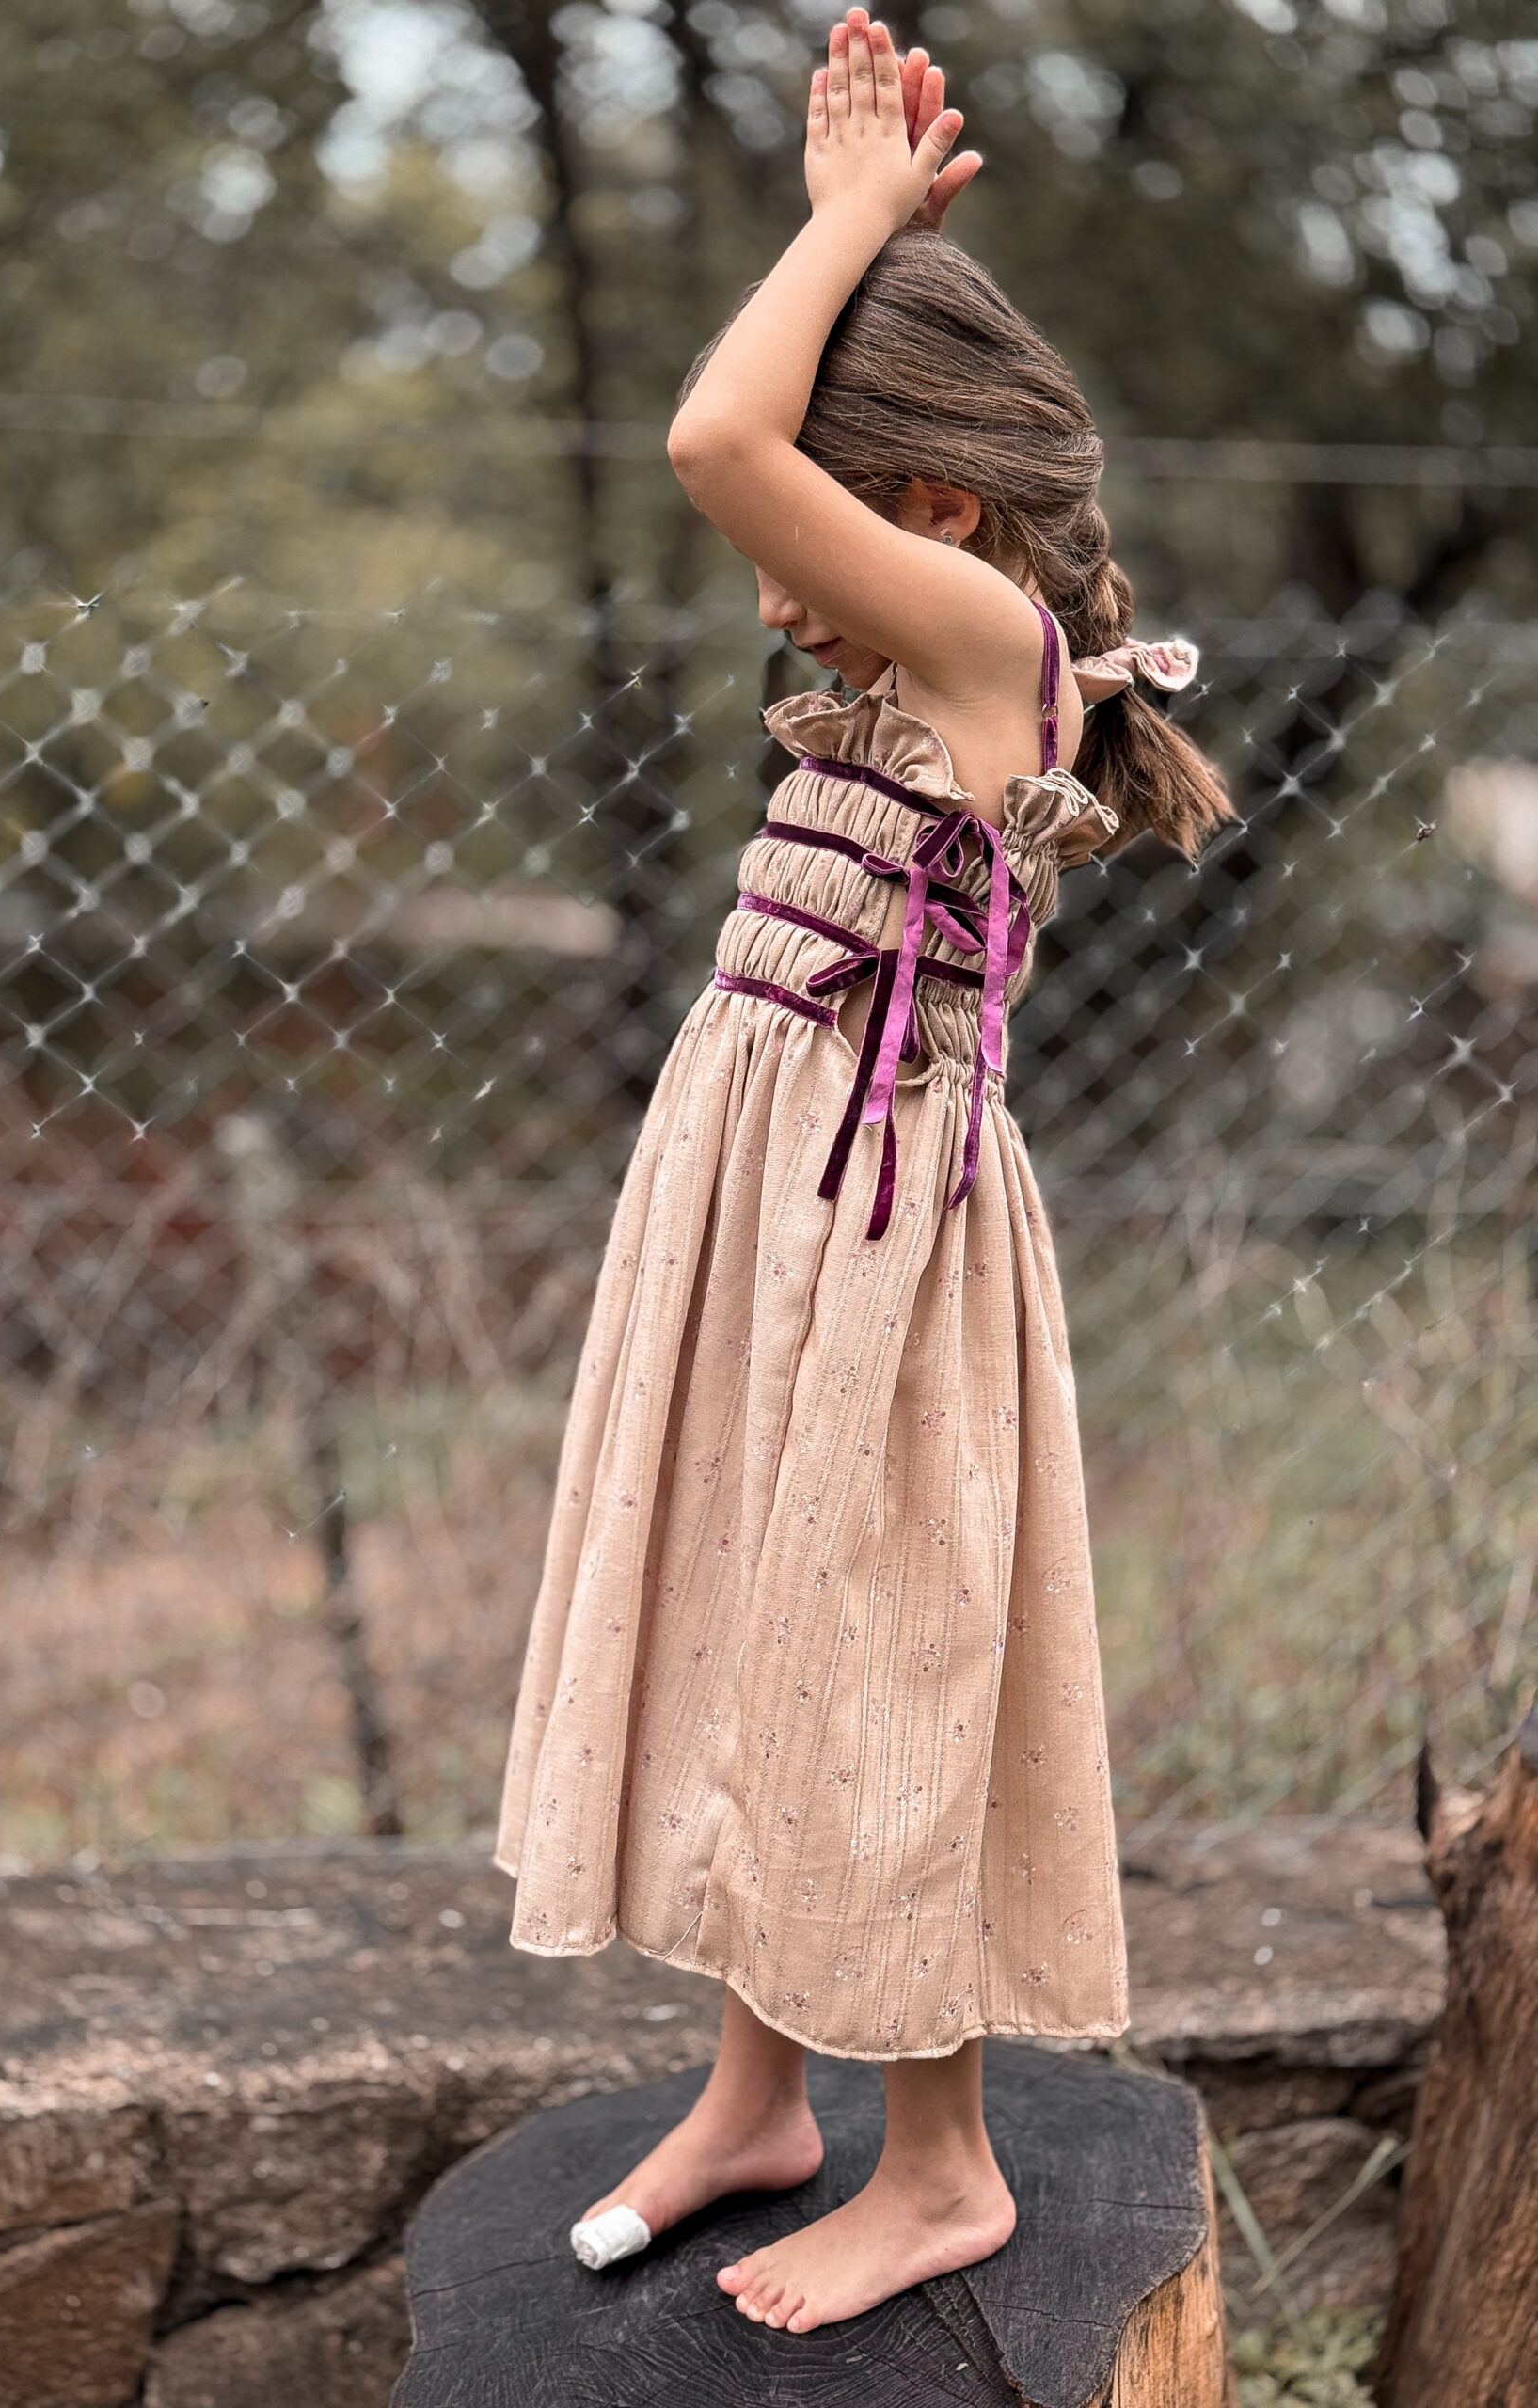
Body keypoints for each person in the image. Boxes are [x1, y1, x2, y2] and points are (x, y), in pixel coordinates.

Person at [494, 8, 1231, 2337]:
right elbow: (757, 447)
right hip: (766, 1204)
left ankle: (942, 2165)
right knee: (755, 1610)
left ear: (923, 506)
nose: (764, 575)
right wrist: (864, 237)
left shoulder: (990, 636)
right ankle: (754, 2095)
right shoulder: (917, 618)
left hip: (884, 1243)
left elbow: (719, 431)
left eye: (819, 523)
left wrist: (837, 231)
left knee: (878, 1648)